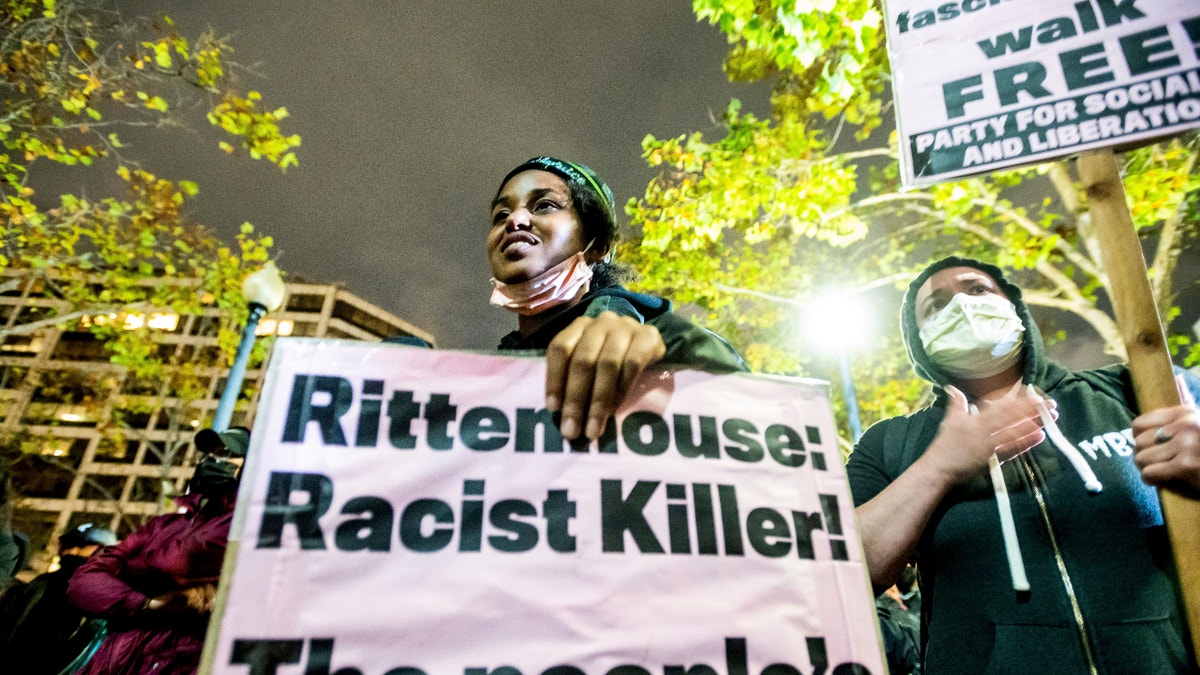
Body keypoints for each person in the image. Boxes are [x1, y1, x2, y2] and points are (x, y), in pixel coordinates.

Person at [846, 256, 1200, 674]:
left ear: (1015, 307)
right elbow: (845, 574)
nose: (962, 306)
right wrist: (938, 468)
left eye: (978, 289)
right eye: (935, 306)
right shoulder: (891, 444)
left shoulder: (1139, 388)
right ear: (919, 340)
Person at [489, 156, 747, 440]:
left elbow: (753, 415)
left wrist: (670, 348)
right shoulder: (484, 375)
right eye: (501, 215)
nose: (514, 219)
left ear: (597, 246)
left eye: (544, 205)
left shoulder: (663, 343)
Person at [66, 426, 250, 675]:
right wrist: (148, 604)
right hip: (114, 658)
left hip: (181, 661)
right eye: (208, 452)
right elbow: (83, 582)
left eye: (226, 453)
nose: (211, 459)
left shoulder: (250, 527)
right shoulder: (163, 525)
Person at [0, 523, 118, 674]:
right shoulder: (47, 581)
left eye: (80, 545)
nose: (69, 550)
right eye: (67, 543)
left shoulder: (95, 595)